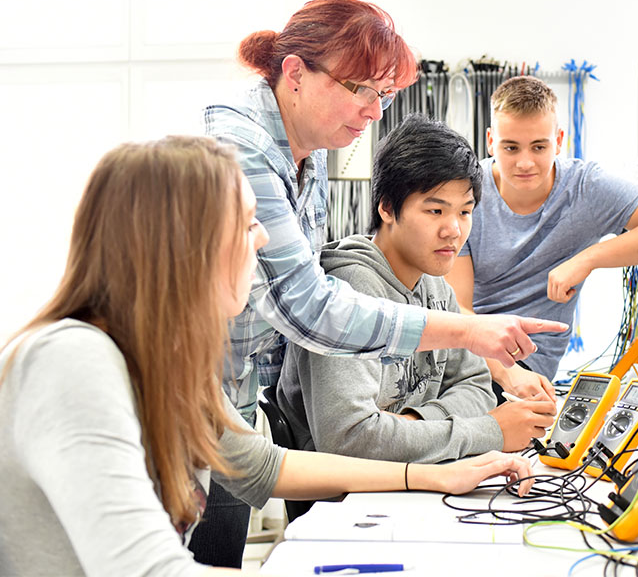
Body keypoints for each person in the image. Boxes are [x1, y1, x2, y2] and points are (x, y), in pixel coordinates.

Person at [0, 136, 535, 576]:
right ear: (182, 242)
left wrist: (431, 476)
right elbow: (148, 569)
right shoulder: (74, 362)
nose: (261, 240)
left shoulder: (166, 363)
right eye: (247, 221)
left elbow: (264, 466)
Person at [200, 0, 564, 565]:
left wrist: (422, 428)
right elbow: (307, 308)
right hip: (197, 401)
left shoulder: (311, 152)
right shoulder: (241, 148)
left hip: (234, 413)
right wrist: (473, 363)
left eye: (384, 95)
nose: (374, 112)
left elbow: (264, 465)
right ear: (294, 73)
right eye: (361, 90)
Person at [277, 115, 557, 463]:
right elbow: (350, 440)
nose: (453, 230)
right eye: (436, 210)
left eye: (465, 212)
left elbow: (477, 386)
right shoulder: (348, 290)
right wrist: (490, 431)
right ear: (387, 208)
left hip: (419, 475)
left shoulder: (435, 284)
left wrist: (411, 424)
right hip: (343, 491)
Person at [446, 75, 638, 401]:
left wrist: (588, 259)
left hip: (527, 367)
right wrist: (505, 372)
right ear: (490, 141)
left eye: (539, 147)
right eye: (510, 147)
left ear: (559, 140)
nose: (525, 162)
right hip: (473, 353)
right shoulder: (468, 194)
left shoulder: (585, 188)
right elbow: (458, 309)